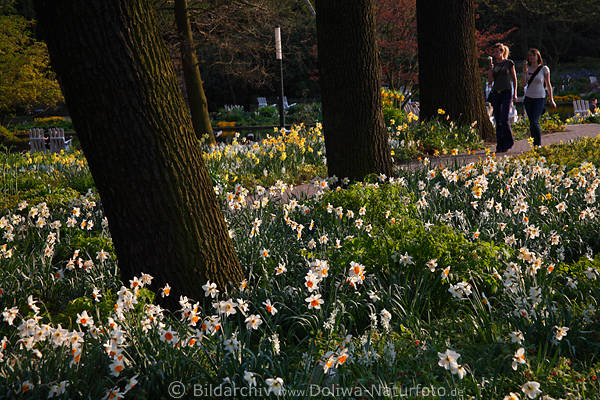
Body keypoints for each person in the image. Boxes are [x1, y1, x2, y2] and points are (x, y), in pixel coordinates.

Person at [522, 48, 556, 147]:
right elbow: (523, 84)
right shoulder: (527, 68)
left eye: (533, 55)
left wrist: (551, 99)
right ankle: (534, 145)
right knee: (531, 123)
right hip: (528, 98)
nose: (531, 57)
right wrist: (524, 72)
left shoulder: (544, 69)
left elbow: (548, 84)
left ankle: (538, 145)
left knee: (535, 121)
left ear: (538, 57)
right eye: (530, 55)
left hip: (539, 98)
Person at [487, 43, 517, 153]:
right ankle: (500, 145)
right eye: (494, 52)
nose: (495, 54)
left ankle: (509, 141)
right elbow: (490, 81)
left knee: (504, 119)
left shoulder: (509, 63)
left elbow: (514, 79)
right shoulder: (494, 64)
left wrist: (515, 94)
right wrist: (490, 69)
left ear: (502, 51)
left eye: (497, 52)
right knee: (497, 119)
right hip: (496, 93)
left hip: (507, 92)